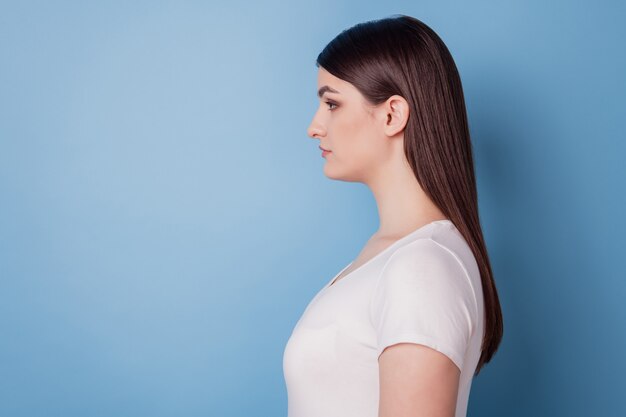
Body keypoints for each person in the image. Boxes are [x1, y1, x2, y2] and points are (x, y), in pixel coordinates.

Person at [282, 14, 503, 417]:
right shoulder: (394, 256)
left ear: (392, 115)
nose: (315, 126)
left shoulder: (422, 266)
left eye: (331, 103)